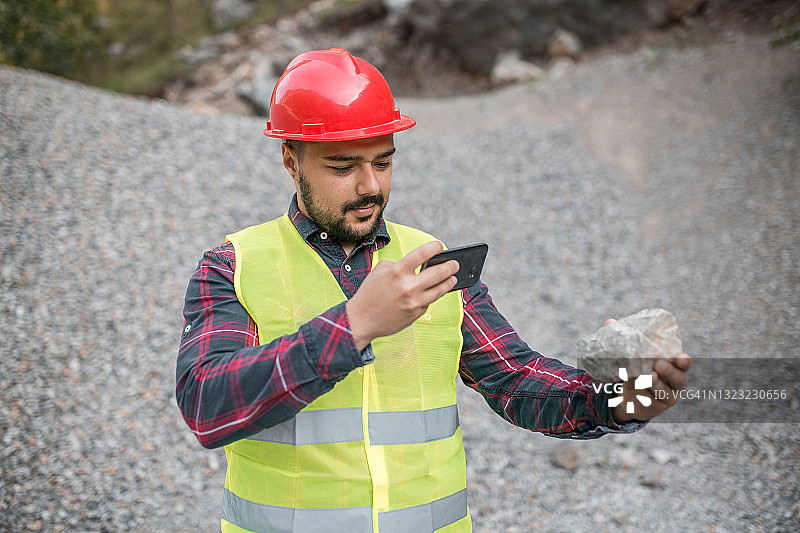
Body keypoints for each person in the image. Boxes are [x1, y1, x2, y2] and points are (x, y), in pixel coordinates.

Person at [176, 48, 691, 533]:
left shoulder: (433, 261)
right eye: (342, 167)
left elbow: (515, 378)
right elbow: (207, 405)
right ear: (291, 159)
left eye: (382, 161)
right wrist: (354, 327)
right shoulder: (233, 266)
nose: (369, 187)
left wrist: (621, 400)